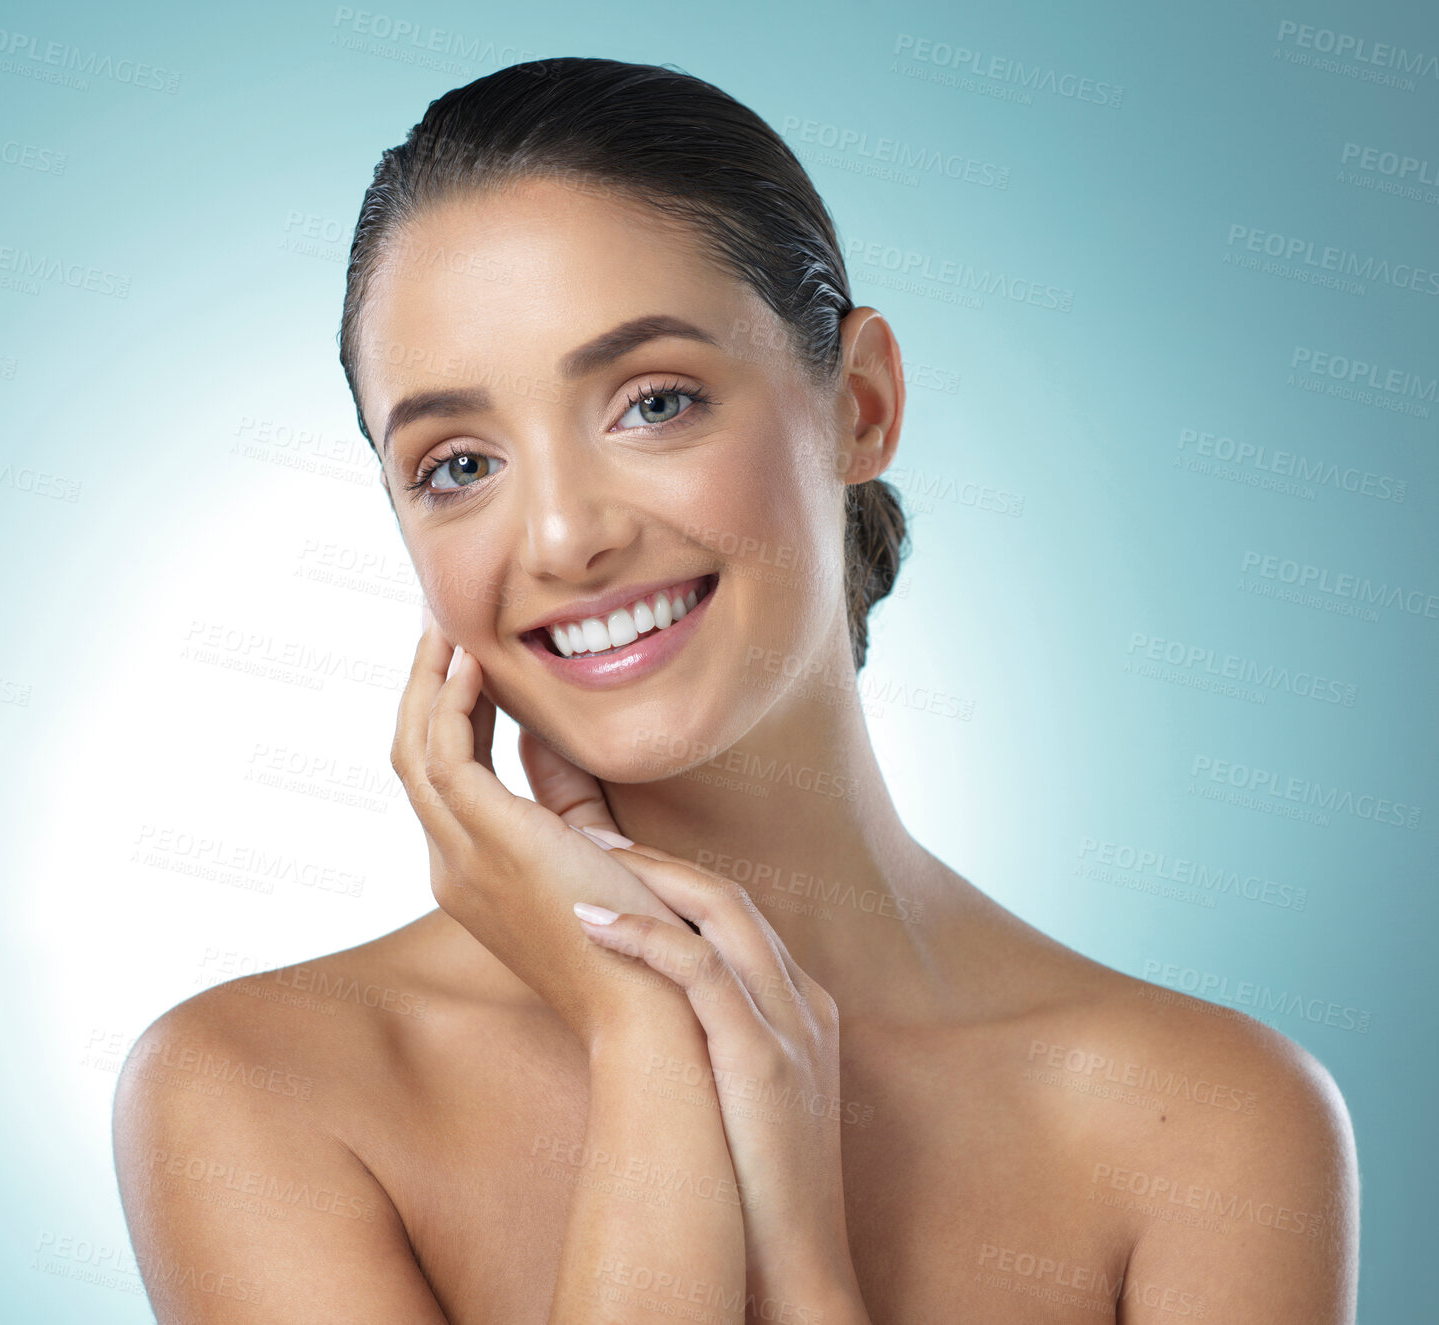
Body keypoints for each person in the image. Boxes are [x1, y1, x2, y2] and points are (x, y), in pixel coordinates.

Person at [112, 57, 1358, 1323]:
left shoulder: (1212, 1126)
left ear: (858, 407)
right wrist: (648, 1047)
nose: (559, 537)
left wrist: (806, 1274)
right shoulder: (258, 1092)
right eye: (457, 463)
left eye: (653, 402)